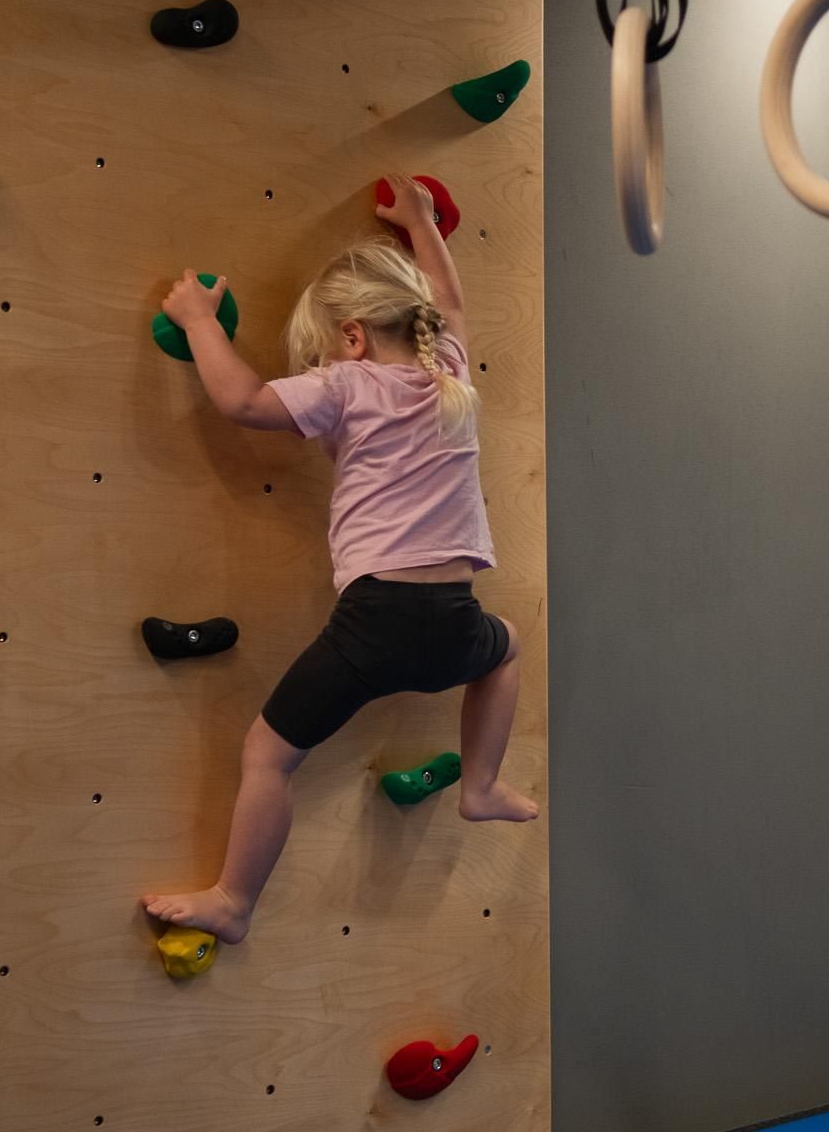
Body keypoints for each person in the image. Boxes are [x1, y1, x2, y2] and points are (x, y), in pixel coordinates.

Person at [143, 173, 536, 947]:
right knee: (508, 647)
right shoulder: (449, 369)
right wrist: (421, 223)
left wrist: (199, 323)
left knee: (268, 757)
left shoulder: (348, 383)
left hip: (375, 624)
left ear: (351, 338)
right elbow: (452, 302)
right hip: (456, 624)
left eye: (323, 349)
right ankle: (482, 783)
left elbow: (243, 401)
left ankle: (234, 901)